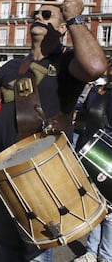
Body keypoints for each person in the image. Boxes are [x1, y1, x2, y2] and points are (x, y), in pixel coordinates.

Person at [0, 0, 107, 262]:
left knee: (35, 251)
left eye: (47, 15)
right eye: (35, 14)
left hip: (42, 168)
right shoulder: (11, 66)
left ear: (62, 28)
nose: (38, 17)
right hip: (3, 166)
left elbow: (95, 66)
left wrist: (75, 18)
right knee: (6, 248)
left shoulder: (68, 61)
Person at [73, 60, 112, 262]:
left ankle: (106, 256)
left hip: (110, 154)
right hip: (91, 150)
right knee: (95, 204)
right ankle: (90, 251)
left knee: (111, 210)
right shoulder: (98, 90)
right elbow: (82, 116)